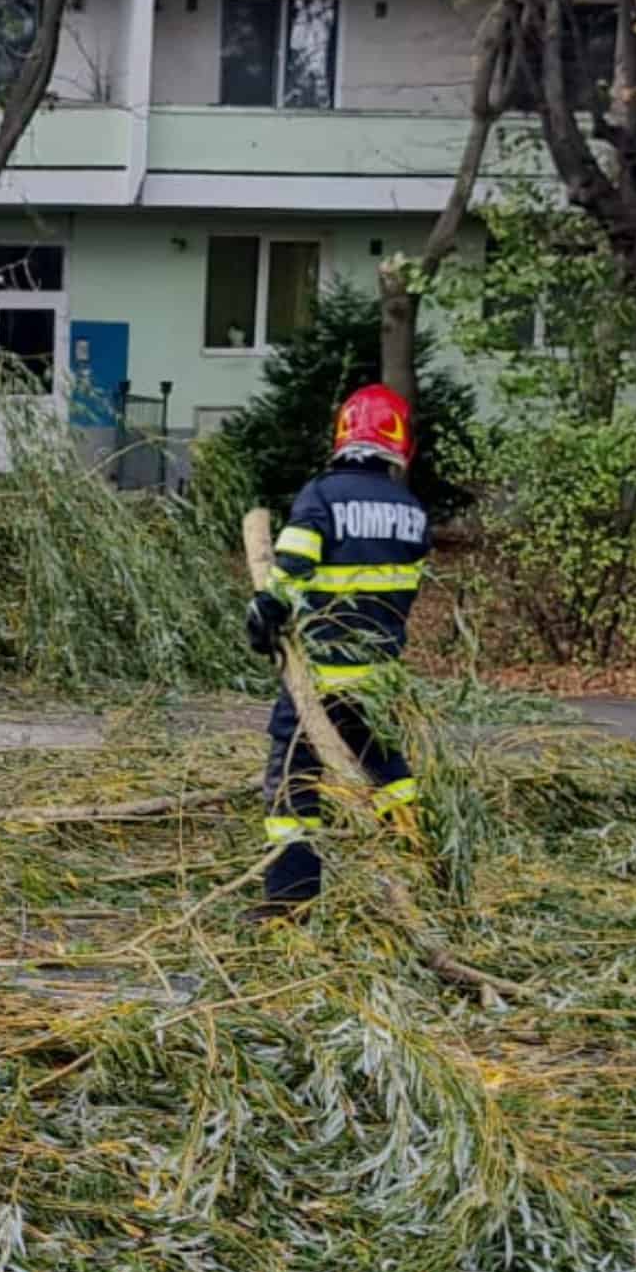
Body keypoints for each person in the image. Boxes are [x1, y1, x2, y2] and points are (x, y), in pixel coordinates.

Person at [244, 383, 430, 920]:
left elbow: (288, 580)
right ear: (398, 442)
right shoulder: (412, 512)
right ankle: (419, 870)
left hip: (319, 677)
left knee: (293, 781)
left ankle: (292, 897)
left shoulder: (321, 498)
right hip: (378, 678)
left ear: (343, 436)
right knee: (387, 772)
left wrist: (264, 615)